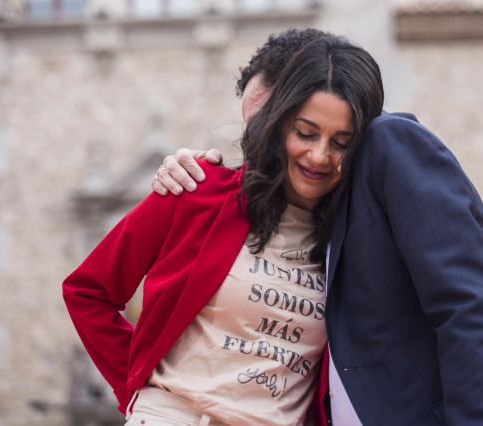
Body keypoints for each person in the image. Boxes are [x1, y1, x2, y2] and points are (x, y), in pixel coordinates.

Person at [153, 30, 483, 425]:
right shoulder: (304, 211)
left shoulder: (391, 144)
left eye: (272, 123)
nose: (260, 147)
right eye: (252, 131)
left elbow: (467, 309)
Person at [63, 34, 385, 425]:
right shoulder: (196, 189)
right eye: (305, 132)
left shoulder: (357, 237)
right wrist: (139, 389)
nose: (319, 155)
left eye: (341, 142)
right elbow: (87, 291)